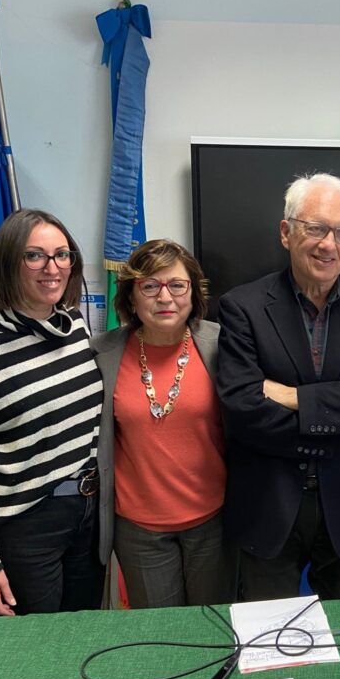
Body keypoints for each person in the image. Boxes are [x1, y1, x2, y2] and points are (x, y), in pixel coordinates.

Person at [216, 172, 340, 601]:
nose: (328, 244)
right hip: (267, 507)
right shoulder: (242, 307)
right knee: (269, 638)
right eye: (315, 228)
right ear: (286, 232)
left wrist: (293, 397)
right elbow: (243, 411)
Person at [0, 208, 104, 615]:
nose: (52, 268)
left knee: (83, 640)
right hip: (25, 526)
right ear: (9, 264)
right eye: (35, 256)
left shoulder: (75, 326)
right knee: (34, 654)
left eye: (62, 255)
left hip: (88, 514)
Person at [92, 239, 237, 608]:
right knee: (160, 637)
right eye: (150, 286)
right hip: (140, 532)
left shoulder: (223, 345)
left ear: (193, 291)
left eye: (176, 284)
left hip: (214, 522)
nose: (165, 297)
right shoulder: (102, 353)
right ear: (132, 296)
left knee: (214, 629)